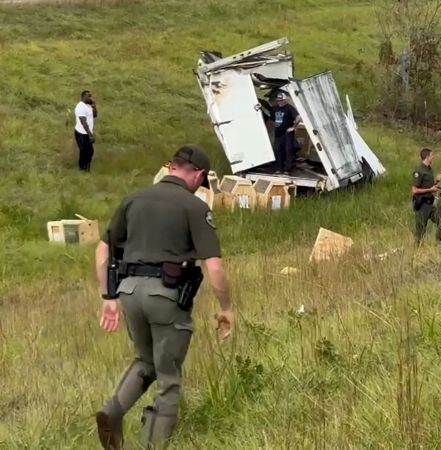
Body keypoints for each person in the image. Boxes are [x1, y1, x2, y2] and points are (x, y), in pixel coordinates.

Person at [94, 145, 234, 449]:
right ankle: (152, 445)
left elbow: (103, 250)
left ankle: (112, 412)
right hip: (166, 296)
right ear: (197, 174)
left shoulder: (133, 199)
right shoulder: (194, 207)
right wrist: (226, 308)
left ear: (171, 167)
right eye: (202, 180)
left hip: (129, 292)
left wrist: (108, 296)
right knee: (169, 377)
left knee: (146, 361)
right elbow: (215, 266)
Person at [262, 91, 302, 174]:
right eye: (278, 100)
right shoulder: (275, 108)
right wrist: (261, 107)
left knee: (288, 151)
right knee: (277, 150)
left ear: (285, 100)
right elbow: (270, 115)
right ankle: (279, 169)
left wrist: (293, 127)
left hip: (287, 134)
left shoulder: (289, 108)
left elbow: (298, 117)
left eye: (281, 100)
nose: (279, 102)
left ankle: (287, 170)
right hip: (278, 134)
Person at [411, 147, 440, 244]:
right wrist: (430, 189)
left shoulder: (429, 170)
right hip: (422, 204)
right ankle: (417, 249)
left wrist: (434, 186)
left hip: (430, 203)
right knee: (420, 230)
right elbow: (414, 190)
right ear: (427, 157)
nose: (433, 157)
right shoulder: (419, 171)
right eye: (432, 156)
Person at [74, 90, 98, 171]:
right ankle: (83, 168)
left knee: (90, 151)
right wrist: (90, 135)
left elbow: (94, 115)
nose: (90, 98)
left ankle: (86, 167)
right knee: (84, 151)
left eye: (91, 96)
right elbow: (83, 122)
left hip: (87, 133)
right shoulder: (80, 106)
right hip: (81, 133)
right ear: (83, 97)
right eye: (88, 96)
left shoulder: (89, 105)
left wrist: (94, 107)